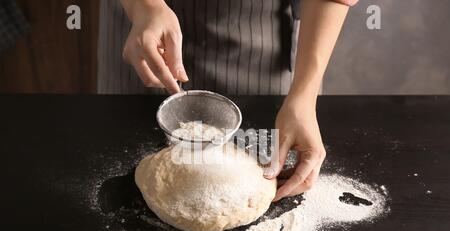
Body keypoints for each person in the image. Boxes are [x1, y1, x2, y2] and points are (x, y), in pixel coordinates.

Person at [97, 0, 358, 201]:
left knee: (257, 169)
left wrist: (304, 96)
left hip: (259, 38)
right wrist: (145, 7)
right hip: (142, 37)